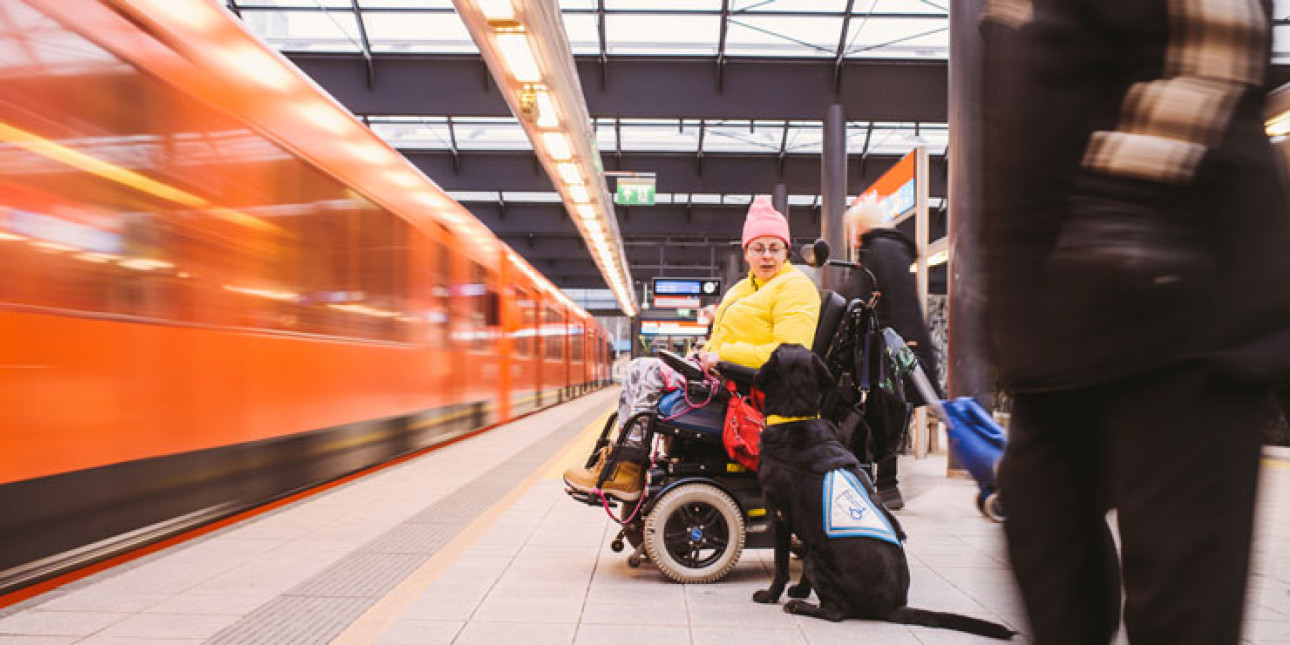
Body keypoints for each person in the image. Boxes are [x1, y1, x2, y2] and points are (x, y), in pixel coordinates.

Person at [980, 1, 1290, 643]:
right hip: (1056, 334)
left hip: (1185, 318)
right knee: (1046, 552)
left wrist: (1133, 207)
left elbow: (1219, 30)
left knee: (1181, 608)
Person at [564, 196, 820, 500]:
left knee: (645, 372)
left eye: (774, 248)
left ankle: (627, 469)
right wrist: (703, 353)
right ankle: (622, 463)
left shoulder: (795, 287)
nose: (767, 256)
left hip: (750, 387)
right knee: (637, 370)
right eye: (758, 248)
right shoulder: (742, 289)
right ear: (746, 252)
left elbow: (790, 354)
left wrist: (722, 356)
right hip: (726, 375)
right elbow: (723, 338)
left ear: (786, 251)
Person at [842, 201, 941, 510]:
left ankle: (886, 487)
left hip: (892, 350)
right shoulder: (881, 249)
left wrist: (906, 344)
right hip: (886, 347)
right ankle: (879, 484)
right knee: (883, 410)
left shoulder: (882, 249)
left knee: (885, 409)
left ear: (858, 227)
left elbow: (895, 301)